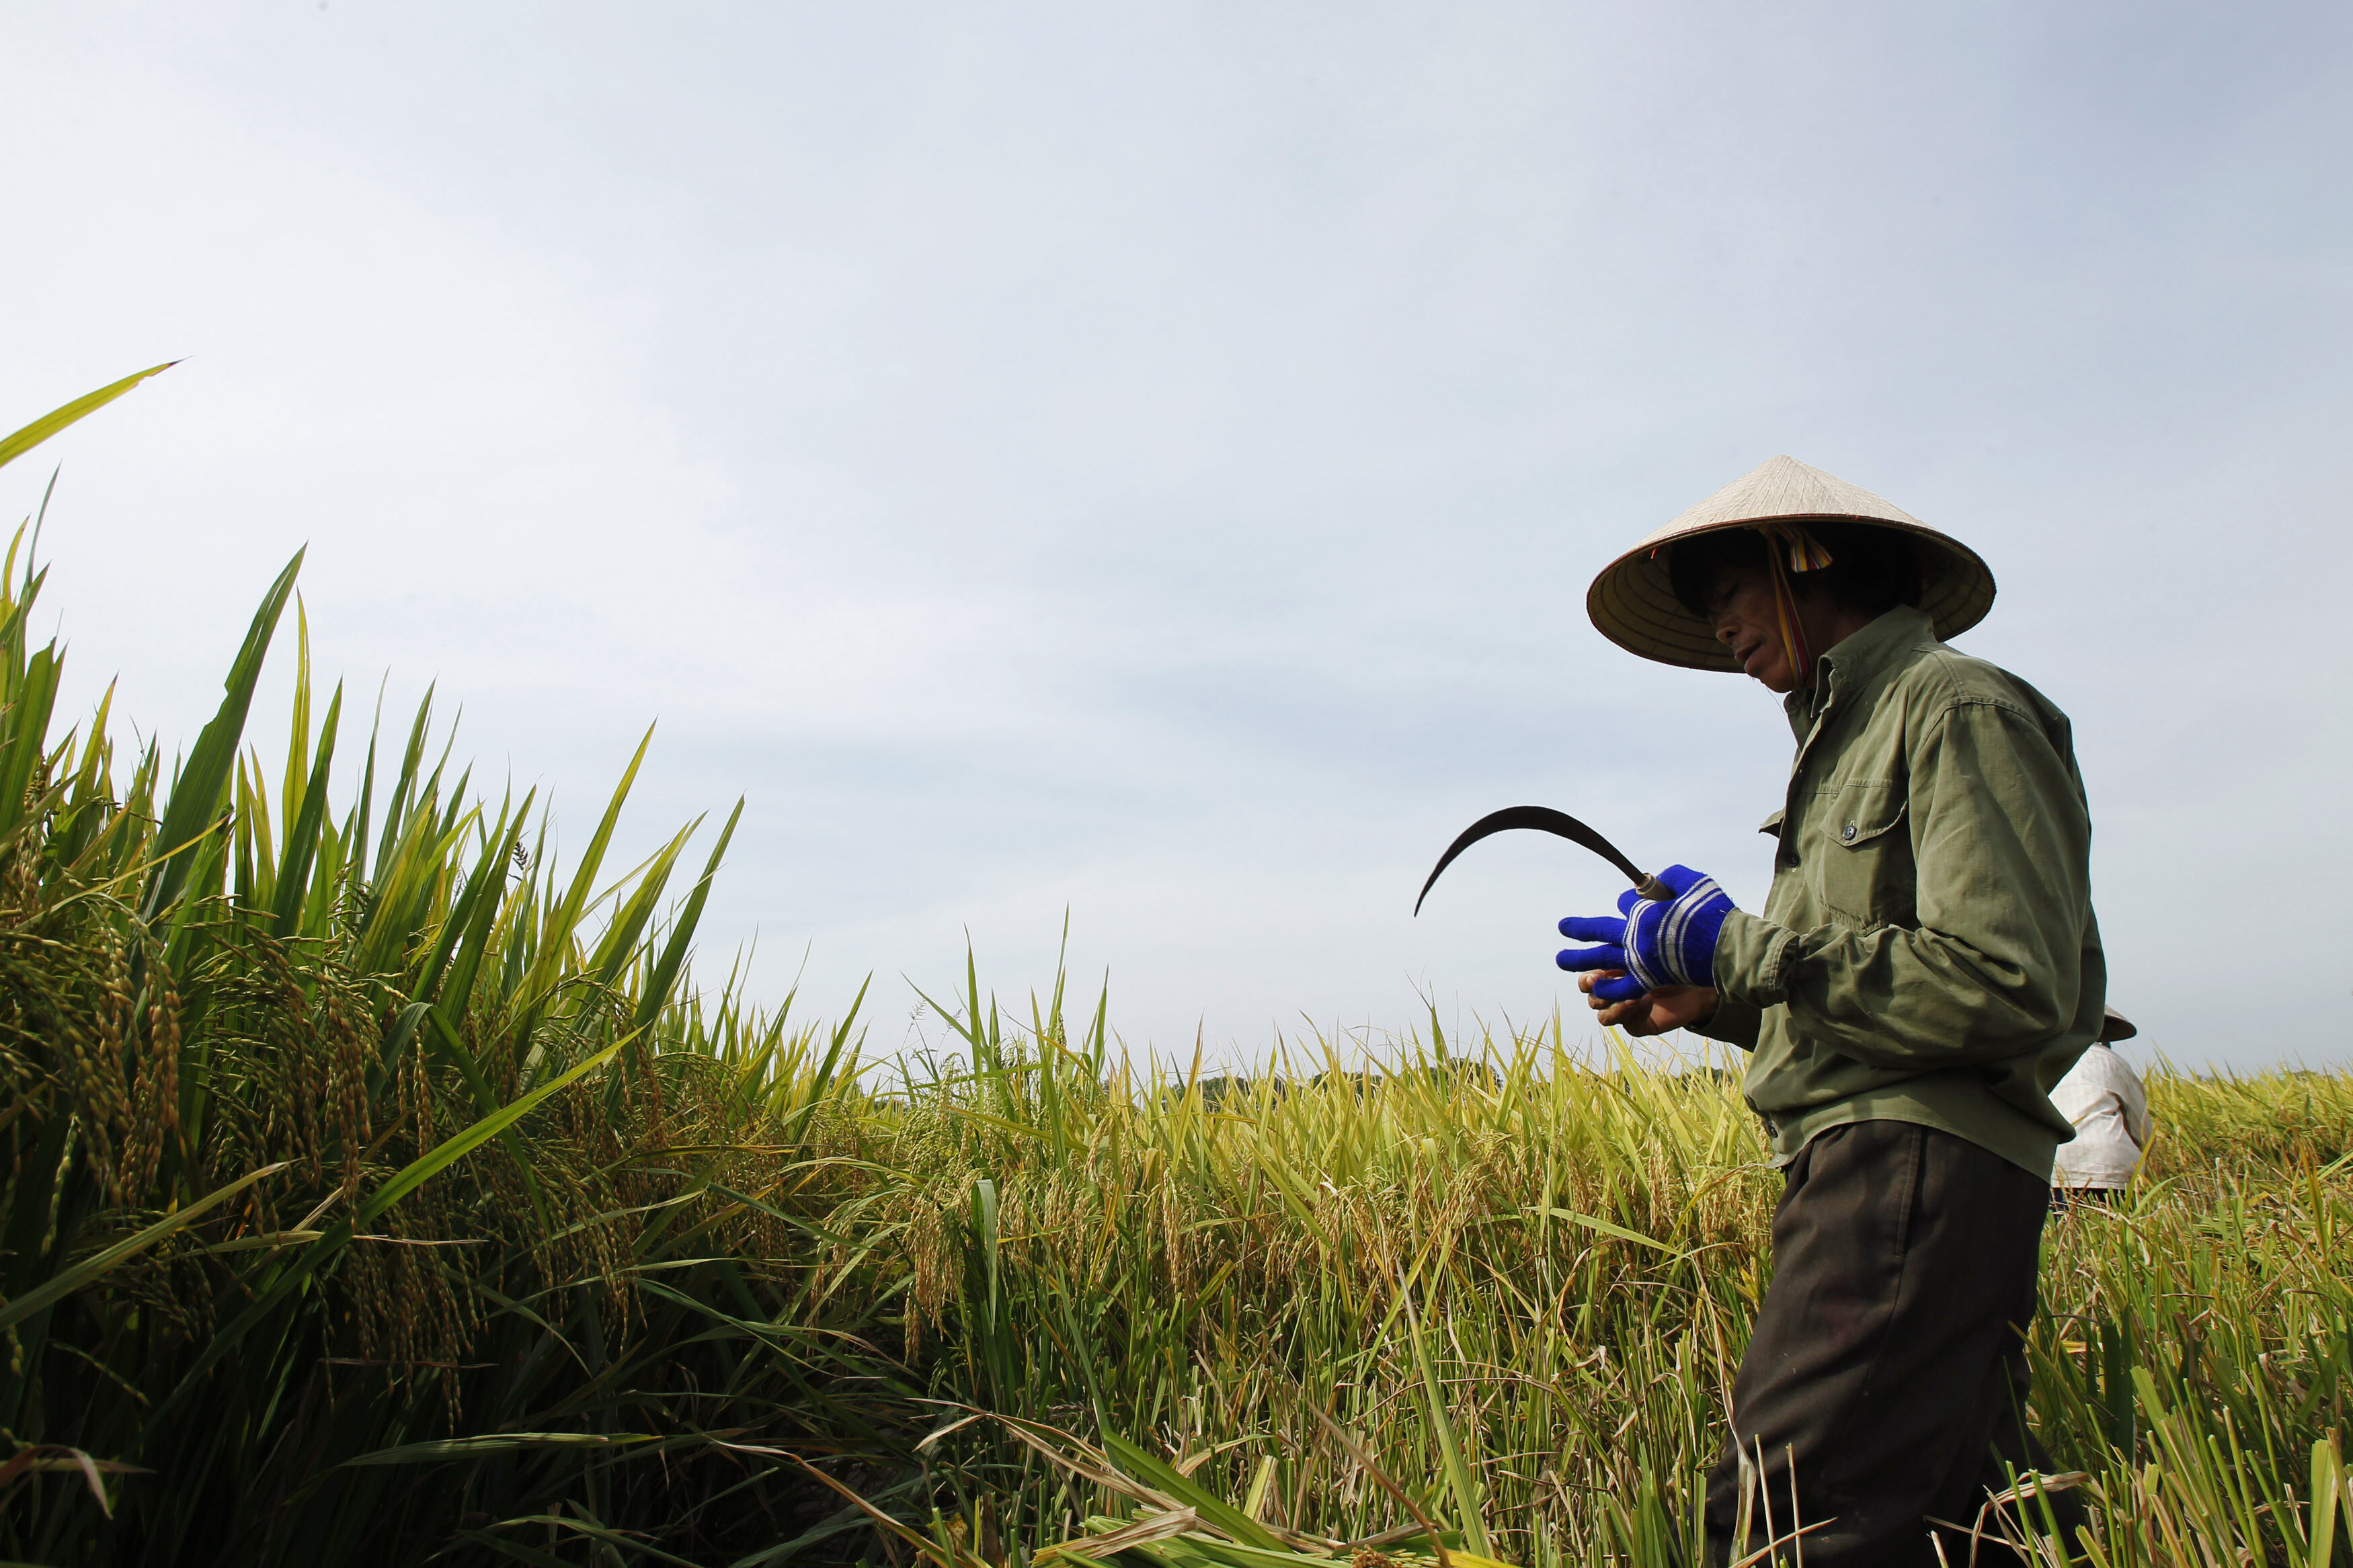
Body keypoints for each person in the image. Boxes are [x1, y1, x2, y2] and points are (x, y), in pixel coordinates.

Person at [1554, 456, 2104, 1565]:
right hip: (1881, 1163)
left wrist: (1748, 948)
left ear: (1801, 560)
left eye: (1725, 593)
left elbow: (2007, 983)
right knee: (1965, 1525)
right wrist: (1715, 995)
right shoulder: (1837, 744)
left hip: (1911, 1166)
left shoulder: (1954, 706)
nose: (1719, 628)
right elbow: (1874, 992)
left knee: (1783, 1522)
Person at [2050, 1007, 2151, 1206]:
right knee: (2114, 1234)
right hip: (2110, 1167)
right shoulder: (2111, 1060)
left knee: (2062, 1232)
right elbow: (2142, 1128)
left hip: (2052, 1166)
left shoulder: (2039, 1059)